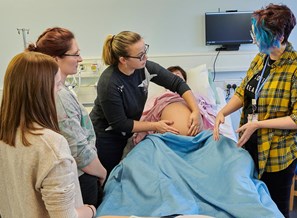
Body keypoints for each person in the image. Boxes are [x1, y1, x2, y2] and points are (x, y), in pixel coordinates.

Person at [213, 4, 297, 217]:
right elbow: (244, 91)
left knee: (273, 207)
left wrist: (259, 124)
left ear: (279, 37)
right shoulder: (261, 58)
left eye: (258, 34)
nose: (253, 38)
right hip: (252, 142)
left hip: (278, 152)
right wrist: (222, 112)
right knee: (253, 201)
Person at [89, 31, 203, 177]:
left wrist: (196, 111)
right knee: (106, 178)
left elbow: (177, 83)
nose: (146, 57)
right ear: (123, 60)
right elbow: (120, 123)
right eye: (140, 55)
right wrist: (156, 125)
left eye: (145, 51)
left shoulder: (145, 68)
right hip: (106, 137)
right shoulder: (109, 83)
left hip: (126, 133)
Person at [0, 51, 96, 218]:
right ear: (41, 92)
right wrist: (89, 210)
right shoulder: (51, 145)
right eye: (58, 85)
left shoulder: (6, 134)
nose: (60, 91)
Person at [26, 27, 107, 207]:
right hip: (80, 176)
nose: (80, 59)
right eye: (75, 54)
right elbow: (78, 149)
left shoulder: (60, 90)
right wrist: (102, 173)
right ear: (56, 59)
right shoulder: (59, 96)